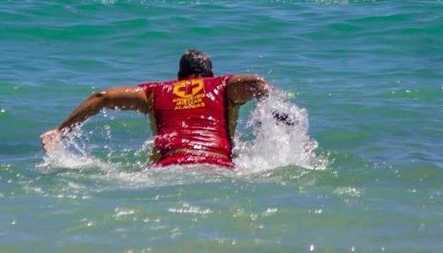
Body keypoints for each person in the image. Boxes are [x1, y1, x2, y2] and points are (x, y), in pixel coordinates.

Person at [40, 49, 272, 168]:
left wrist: (60, 131)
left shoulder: (154, 92)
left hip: (168, 168)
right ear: (210, 74)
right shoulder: (223, 86)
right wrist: (275, 113)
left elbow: (102, 97)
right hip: (217, 166)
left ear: (178, 76)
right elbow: (257, 82)